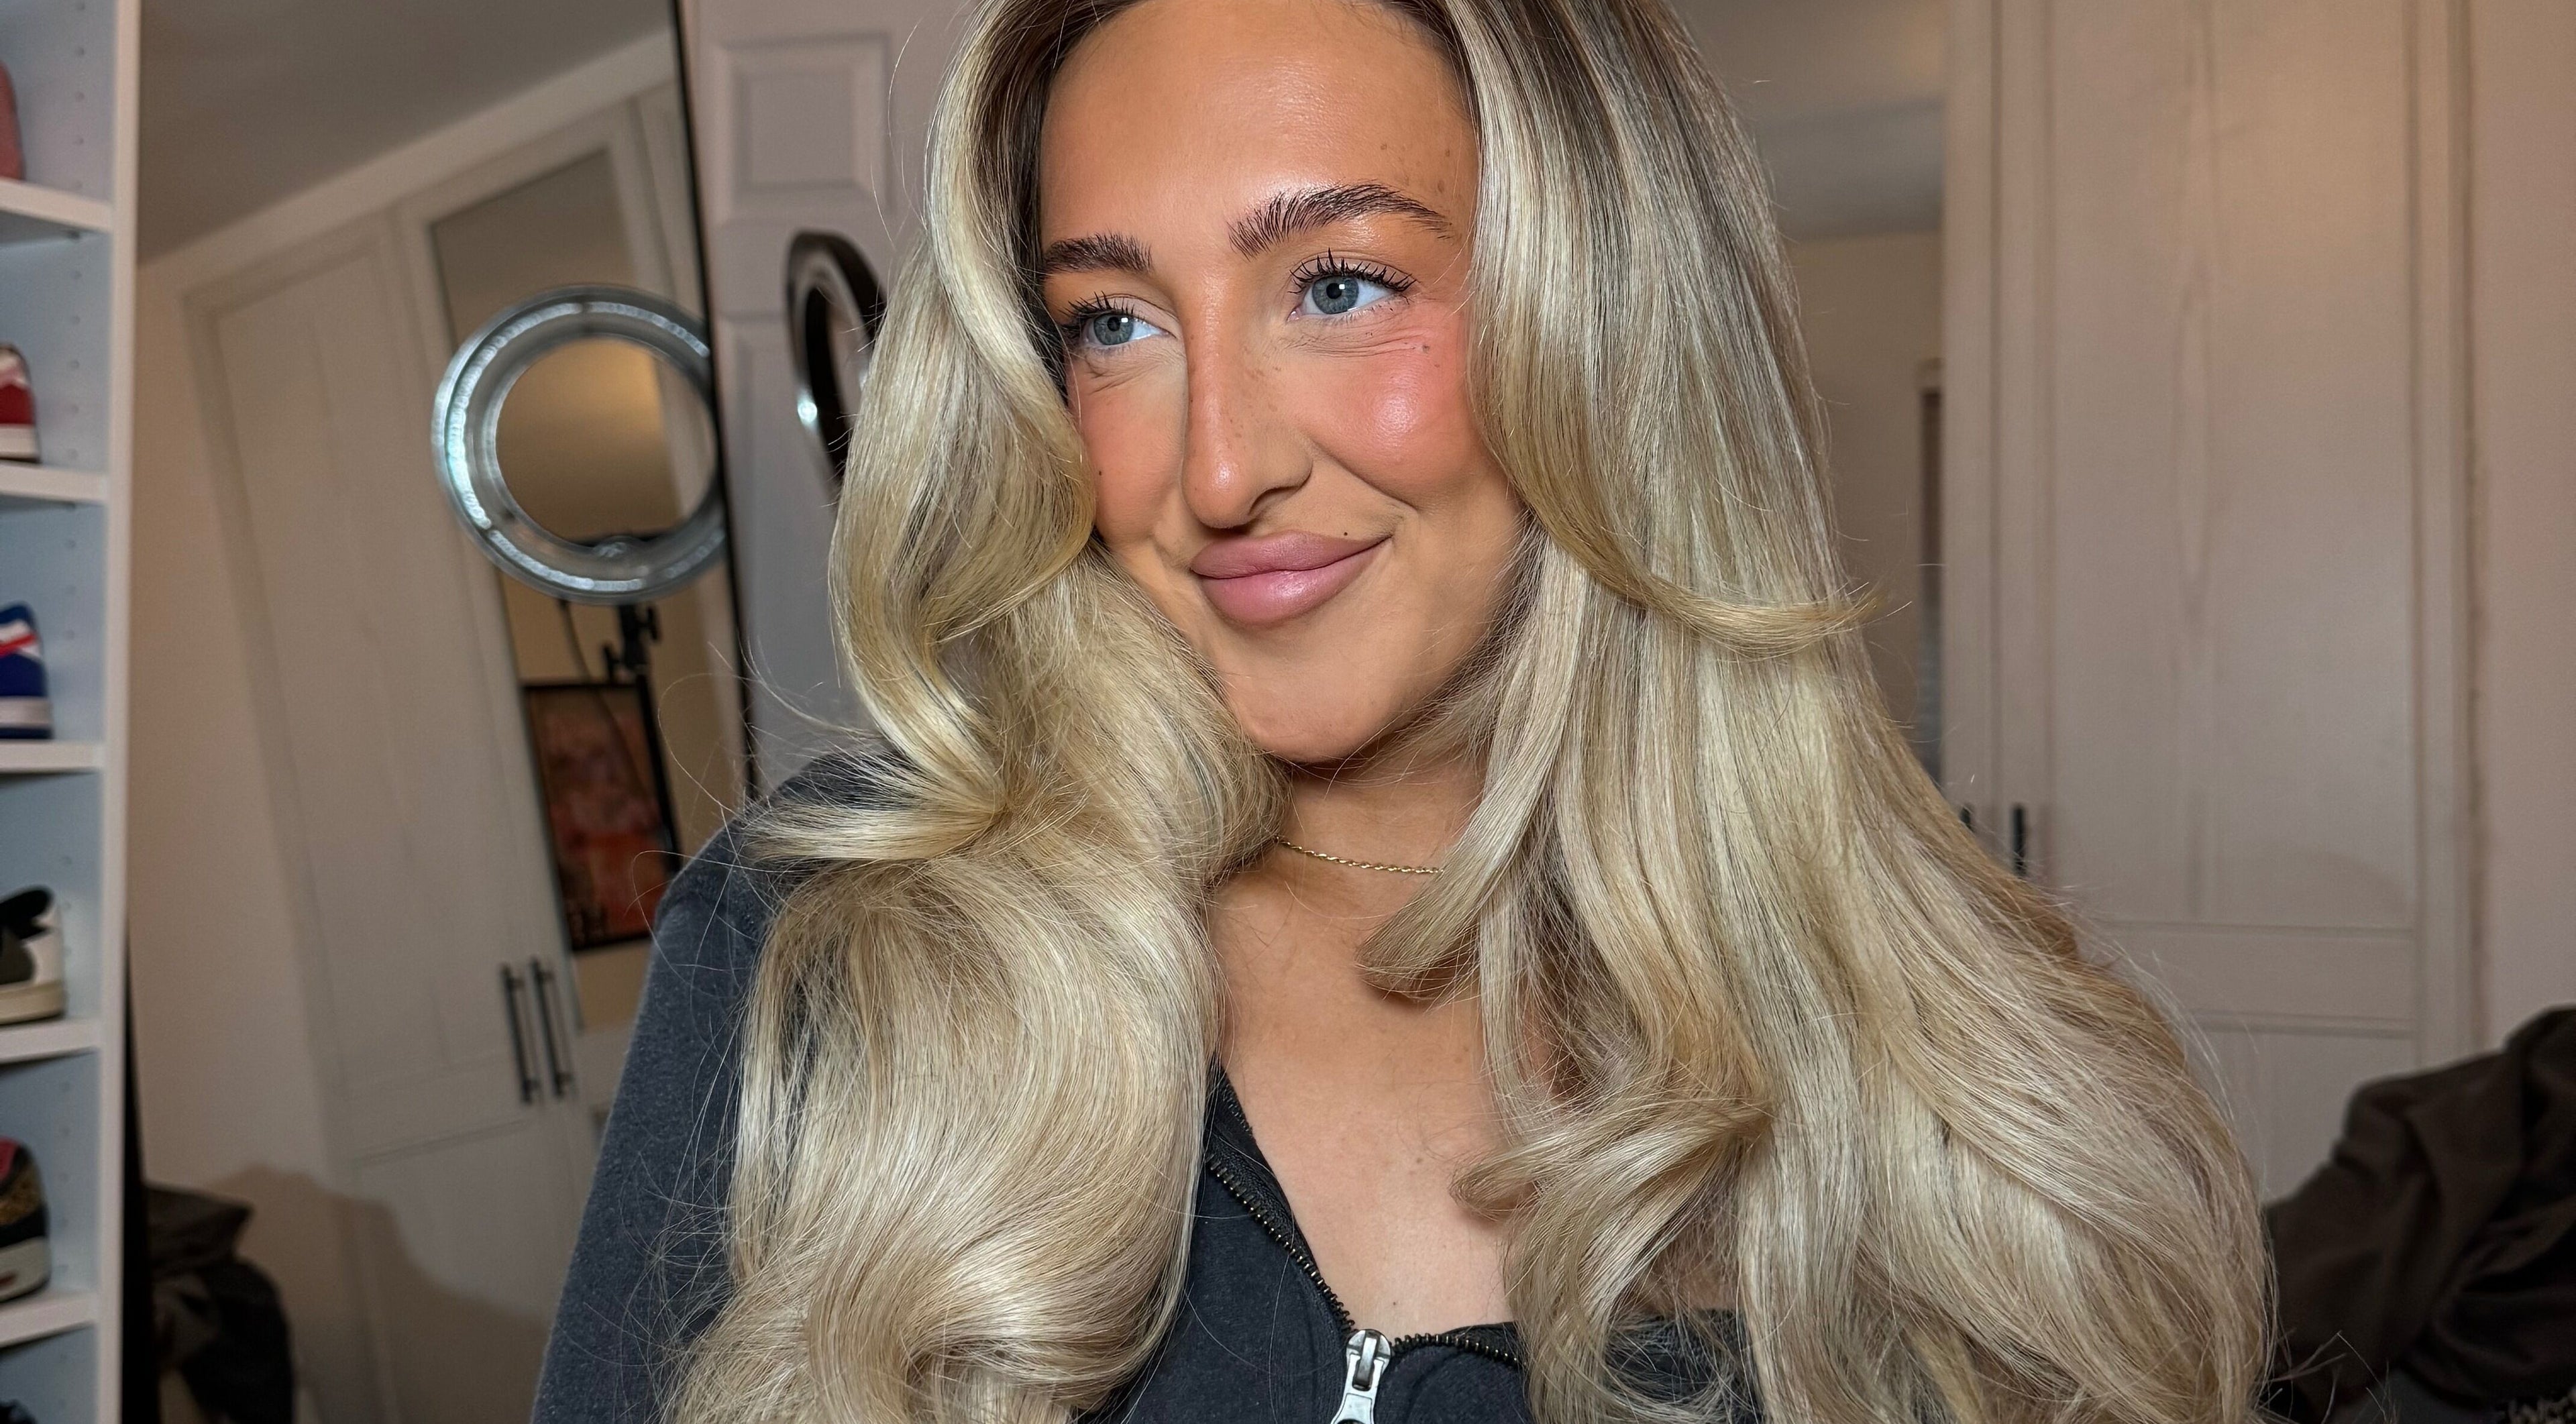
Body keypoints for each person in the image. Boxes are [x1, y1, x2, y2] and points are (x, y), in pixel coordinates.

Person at [535, 0, 2269, 1418]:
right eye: (1114, 322)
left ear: (1609, 320)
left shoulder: (1964, 1089)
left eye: (1340, 285)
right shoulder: (827, 946)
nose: (1220, 469)